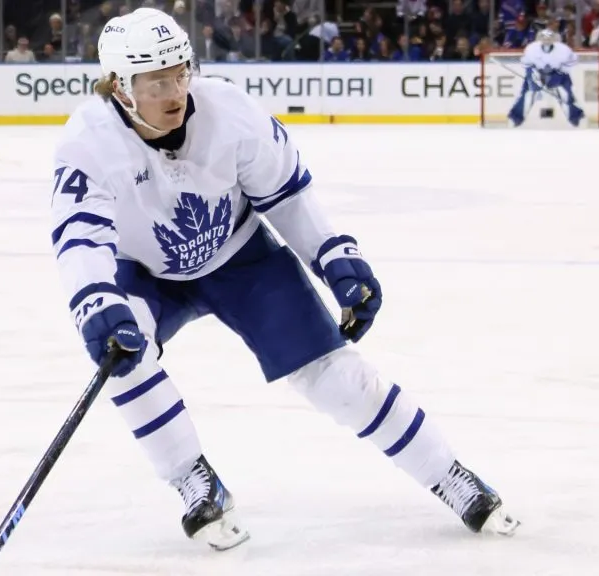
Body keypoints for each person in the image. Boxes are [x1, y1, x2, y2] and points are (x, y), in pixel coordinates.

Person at [50, 8, 520, 550]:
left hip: (240, 258)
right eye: (157, 81)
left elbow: (289, 197)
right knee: (122, 357)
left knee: (337, 377)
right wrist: (95, 302)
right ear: (119, 88)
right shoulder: (88, 142)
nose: (176, 90)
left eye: (181, 72)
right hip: (145, 271)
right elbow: (81, 239)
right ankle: (192, 481)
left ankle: (450, 476)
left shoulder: (229, 112)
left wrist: (335, 258)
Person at [508, 29, 585, 127]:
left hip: (558, 72)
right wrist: (534, 77)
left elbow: (573, 60)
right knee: (526, 93)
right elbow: (526, 64)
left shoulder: (563, 49)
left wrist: (562, 70)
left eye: (549, 39)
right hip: (536, 72)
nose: (546, 42)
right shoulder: (531, 49)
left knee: (567, 93)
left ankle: (575, 116)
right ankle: (516, 117)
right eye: (544, 39)